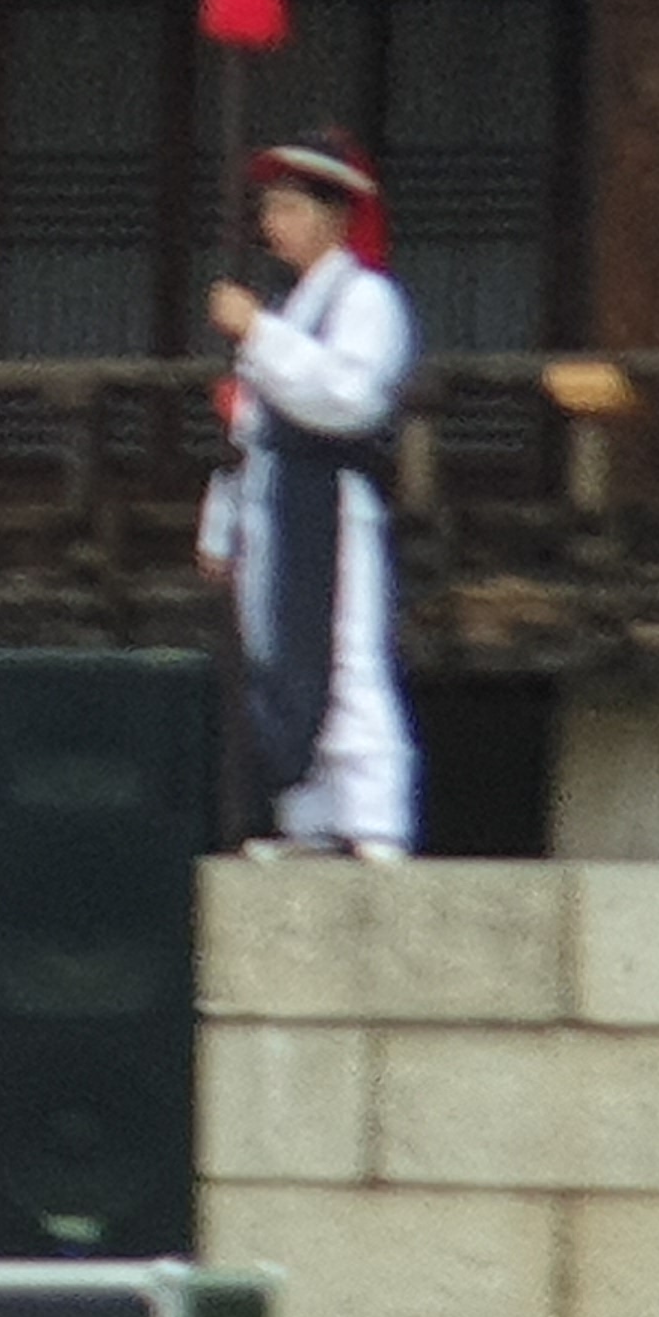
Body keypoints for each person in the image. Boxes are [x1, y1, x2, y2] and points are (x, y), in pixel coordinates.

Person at [202, 129, 419, 861]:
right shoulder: (293, 305)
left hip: (327, 497)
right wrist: (221, 526)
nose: (275, 224)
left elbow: (348, 397)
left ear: (335, 217)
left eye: (291, 209)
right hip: (273, 500)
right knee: (282, 657)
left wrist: (258, 335)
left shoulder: (366, 298)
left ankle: (374, 817)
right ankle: (312, 816)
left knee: (346, 655)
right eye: (271, 209)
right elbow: (249, 430)